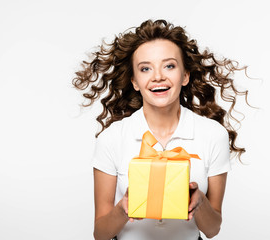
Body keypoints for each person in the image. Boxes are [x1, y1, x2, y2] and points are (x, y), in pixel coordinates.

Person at [73, 19, 249, 240]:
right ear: (135, 82)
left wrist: (199, 202)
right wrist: (124, 207)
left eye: (169, 66)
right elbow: (100, 233)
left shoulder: (213, 135)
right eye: (145, 68)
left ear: (184, 76)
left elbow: (212, 230)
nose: (158, 76)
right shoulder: (112, 138)